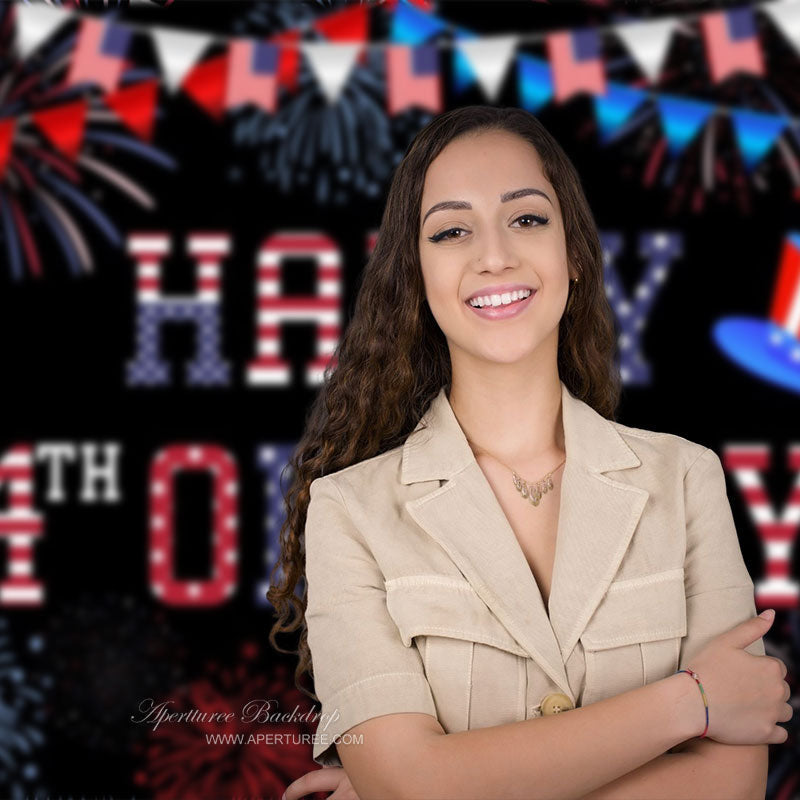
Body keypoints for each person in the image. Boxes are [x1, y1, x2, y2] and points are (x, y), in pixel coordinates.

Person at [268, 105, 792, 800]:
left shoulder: (687, 480)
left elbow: (732, 786)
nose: (494, 256)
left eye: (527, 219)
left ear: (573, 251)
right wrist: (690, 703)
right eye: (452, 231)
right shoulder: (349, 512)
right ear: (416, 278)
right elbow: (409, 785)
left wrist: (442, 784)